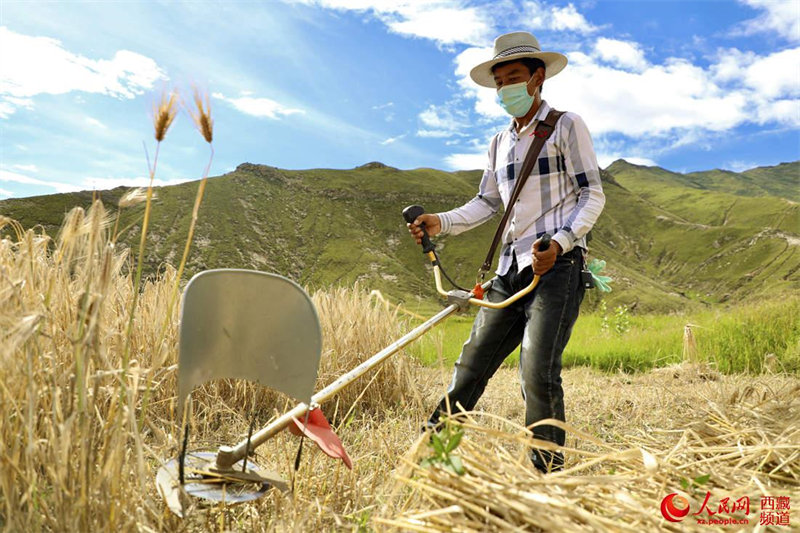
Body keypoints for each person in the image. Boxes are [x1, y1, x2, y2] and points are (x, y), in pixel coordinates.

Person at [407, 31, 605, 474]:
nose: (504, 89)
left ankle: (547, 473)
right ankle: (429, 458)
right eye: (499, 82)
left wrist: (561, 242)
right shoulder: (499, 143)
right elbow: (486, 203)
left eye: (513, 78)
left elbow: (592, 194)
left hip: (556, 266)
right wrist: (441, 221)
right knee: (471, 364)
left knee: (537, 370)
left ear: (537, 78)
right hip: (509, 269)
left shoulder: (566, 125)